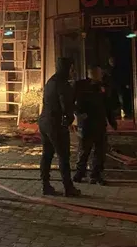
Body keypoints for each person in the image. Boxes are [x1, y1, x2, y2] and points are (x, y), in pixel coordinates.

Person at [38, 57, 80, 197]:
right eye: (72, 69)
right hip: (55, 123)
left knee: (47, 154)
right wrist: (70, 119)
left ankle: (45, 185)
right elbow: (65, 104)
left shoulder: (51, 81)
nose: (73, 72)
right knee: (63, 156)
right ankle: (68, 188)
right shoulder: (63, 84)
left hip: (44, 121)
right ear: (67, 68)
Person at [73, 65, 117, 185]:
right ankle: (80, 173)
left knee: (100, 151)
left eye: (100, 73)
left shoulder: (102, 87)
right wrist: (79, 114)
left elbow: (107, 105)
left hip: (99, 123)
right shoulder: (81, 86)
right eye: (97, 73)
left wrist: (112, 121)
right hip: (87, 123)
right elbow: (73, 103)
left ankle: (95, 175)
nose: (99, 76)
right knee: (84, 150)